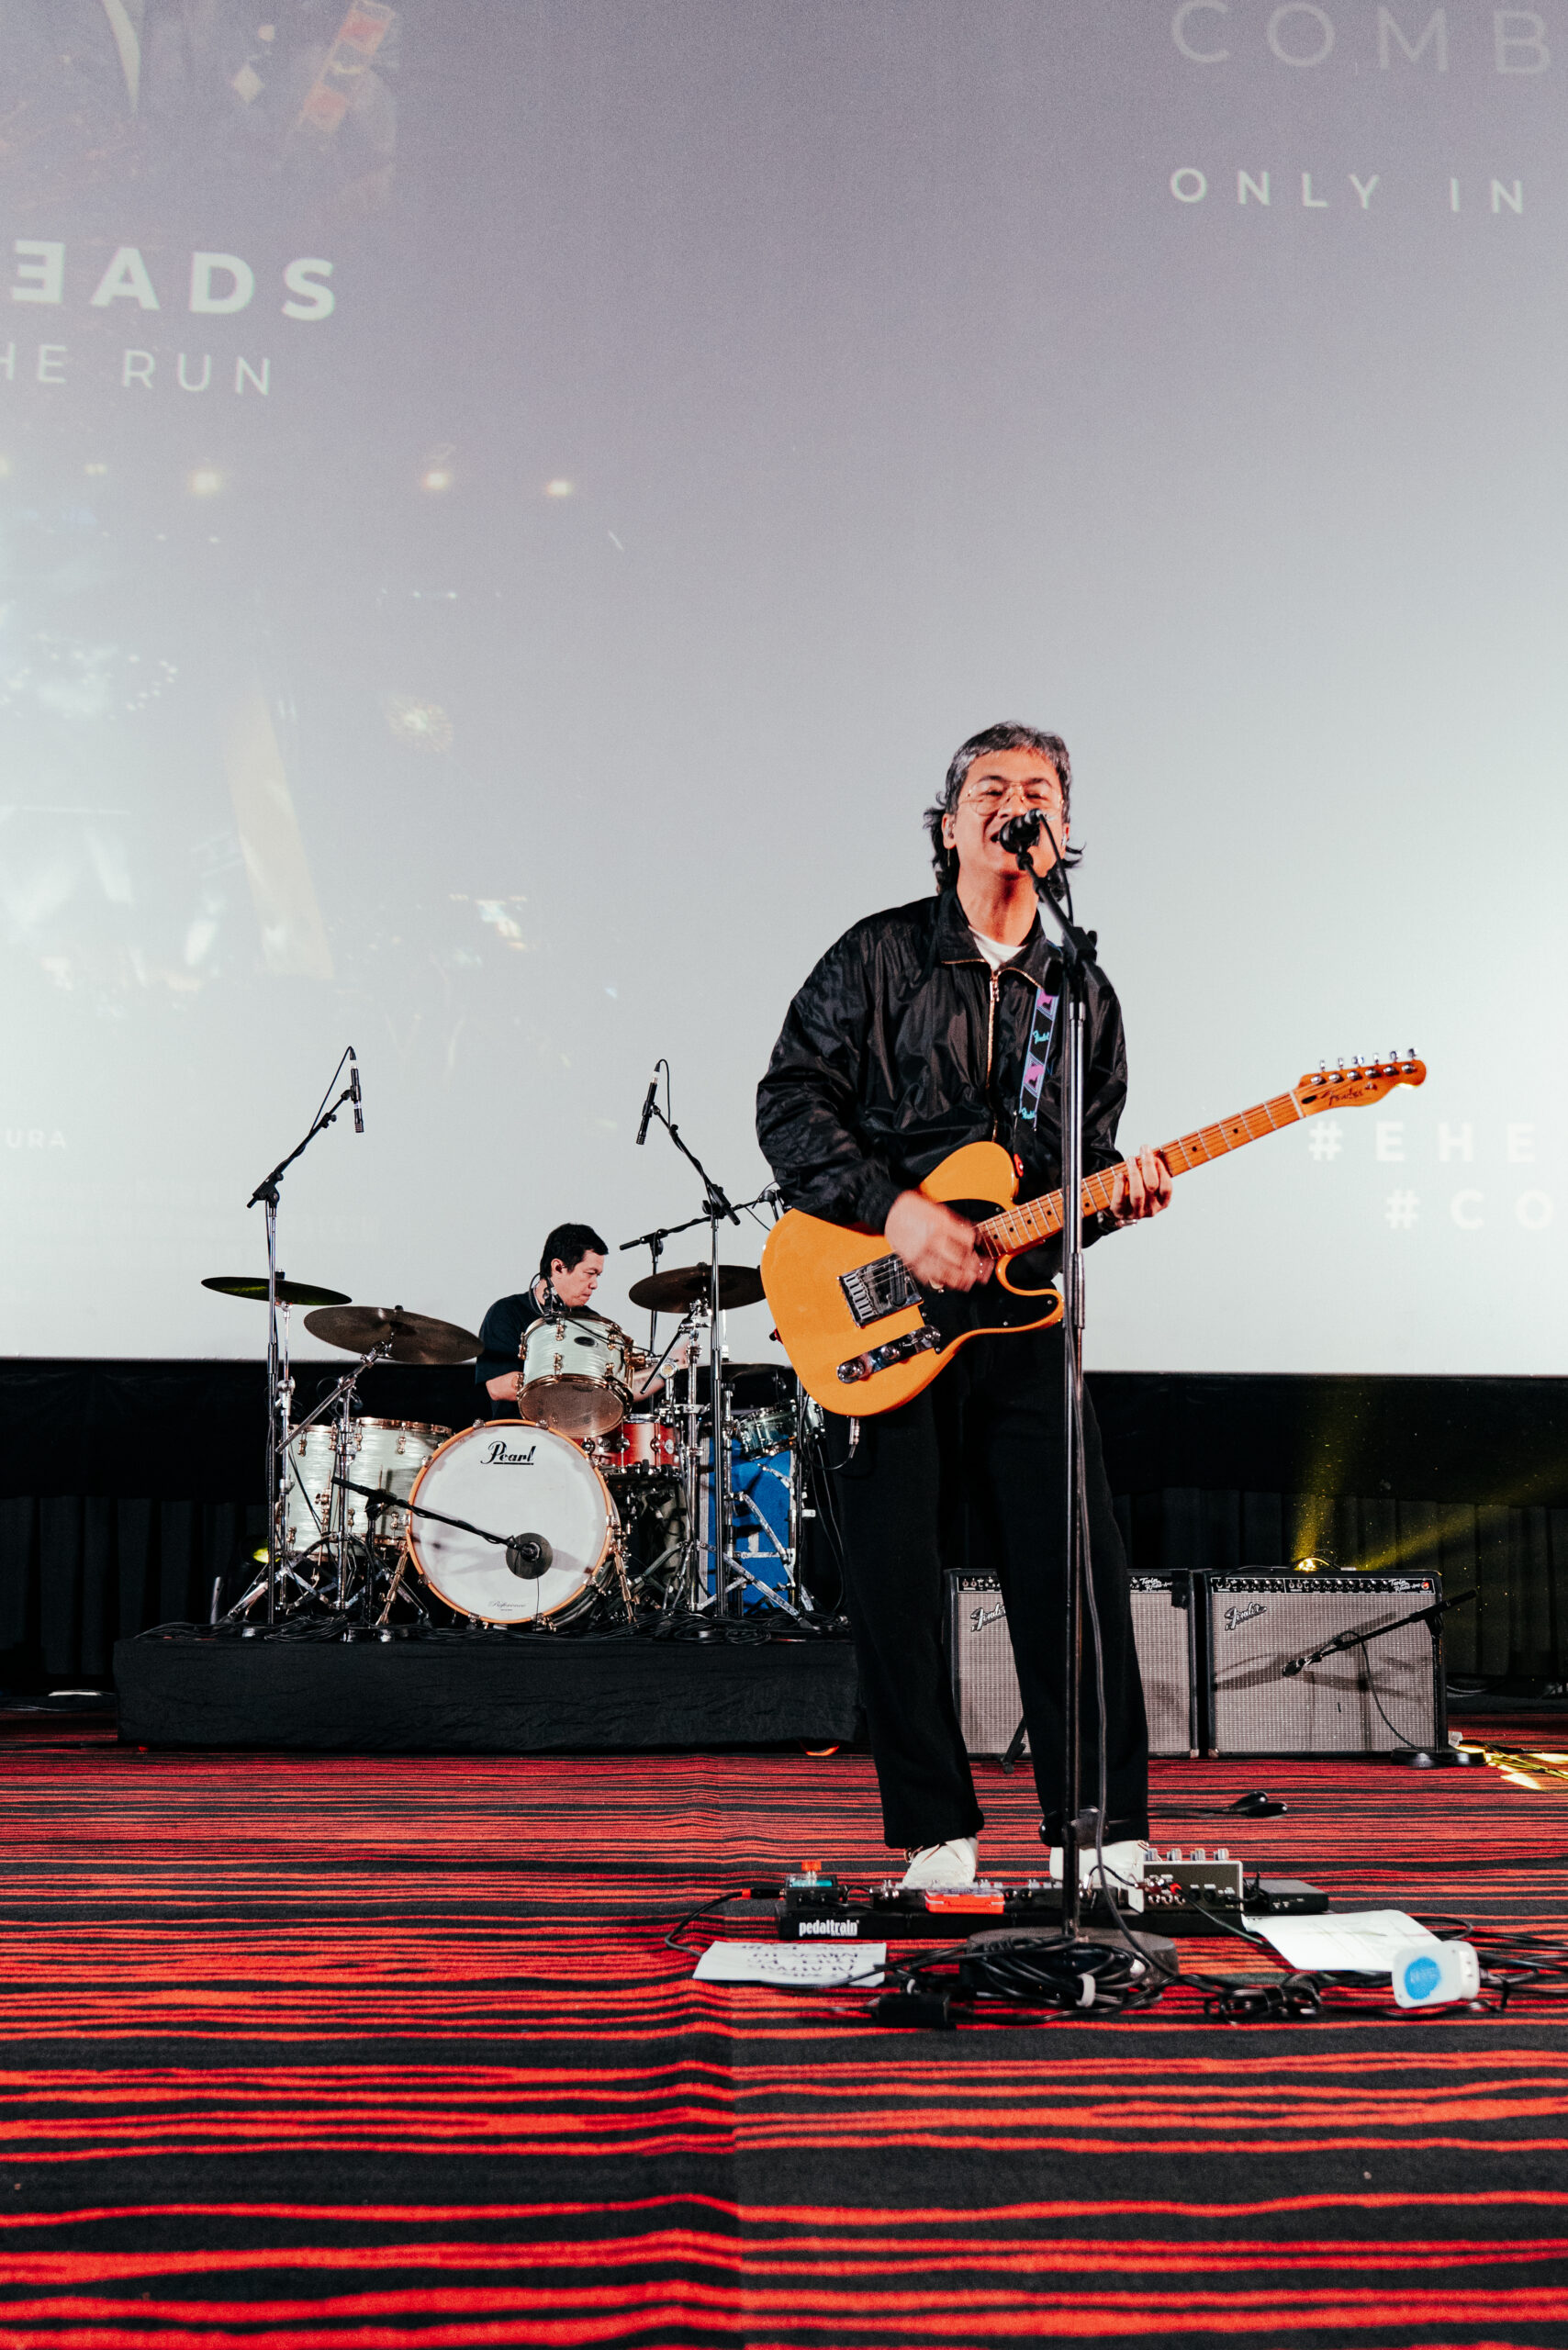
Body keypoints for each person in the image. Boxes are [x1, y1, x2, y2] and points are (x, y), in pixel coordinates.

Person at [755, 722, 1173, 1889]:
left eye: (1038, 790)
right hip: (878, 1310)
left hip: (1021, 1319)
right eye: (989, 787)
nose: (1014, 802)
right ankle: (937, 1838)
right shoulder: (877, 956)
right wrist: (896, 1214)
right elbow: (790, 1102)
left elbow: (1063, 1176)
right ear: (947, 826)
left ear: (1064, 831)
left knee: (1073, 1575)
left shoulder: (1079, 989)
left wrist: (1109, 1201)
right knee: (894, 1583)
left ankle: (1099, 1835)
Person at [475, 1223, 682, 1419]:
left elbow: (620, 1390)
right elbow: (497, 1387)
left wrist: (668, 1366)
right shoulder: (507, 1312)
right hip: (522, 1441)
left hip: (578, 1442)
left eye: (598, 1275)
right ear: (558, 1267)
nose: (595, 1284)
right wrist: (572, 1387)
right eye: (590, 1273)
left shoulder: (592, 1322)